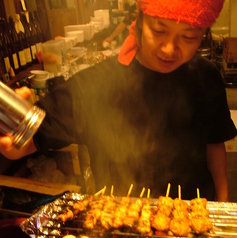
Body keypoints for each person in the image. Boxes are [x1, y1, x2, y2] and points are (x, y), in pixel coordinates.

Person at [0, 0, 236, 201]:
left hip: (195, 217)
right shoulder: (95, 84)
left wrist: (222, 202)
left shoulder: (206, 77)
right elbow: (32, 135)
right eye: (159, 30)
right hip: (120, 225)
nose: (169, 48)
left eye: (188, 37)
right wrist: (13, 133)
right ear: (141, 21)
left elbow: (214, 145)